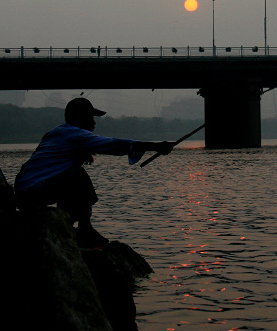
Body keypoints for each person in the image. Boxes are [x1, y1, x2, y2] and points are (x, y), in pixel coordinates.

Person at [14, 97, 173, 247]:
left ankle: (70, 226)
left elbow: (53, 160)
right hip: (34, 192)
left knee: (75, 175)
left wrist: (81, 154)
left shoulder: (56, 132)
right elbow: (114, 145)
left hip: (24, 191)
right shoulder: (76, 135)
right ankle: (84, 228)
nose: (94, 122)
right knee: (78, 177)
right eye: (91, 117)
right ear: (80, 118)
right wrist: (156, 146)